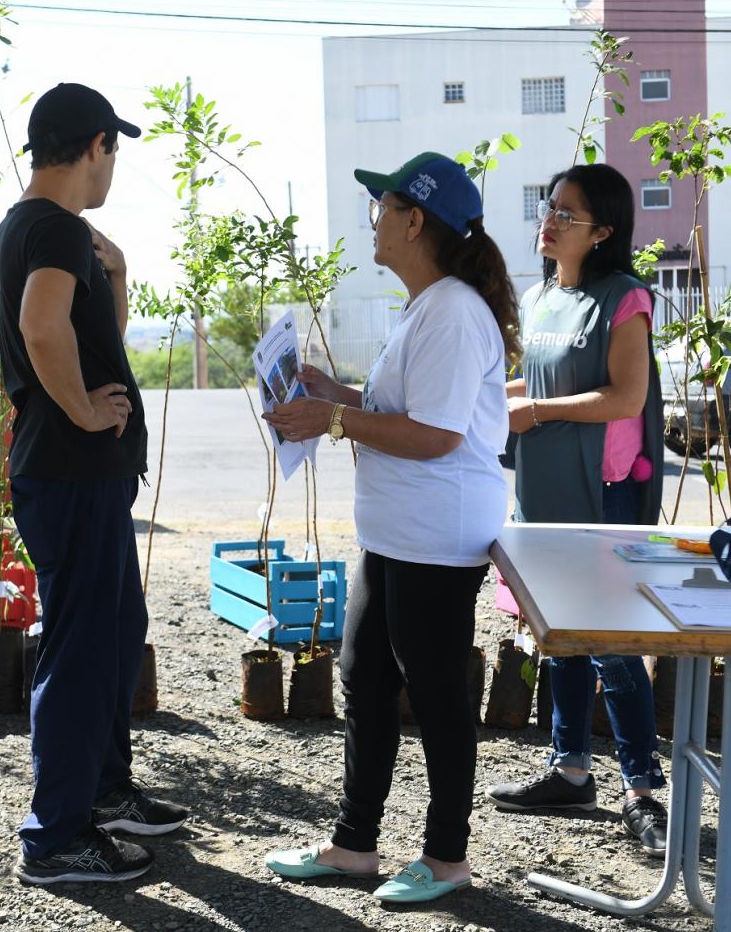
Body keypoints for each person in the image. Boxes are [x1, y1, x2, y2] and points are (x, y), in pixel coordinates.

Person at [261, 152, 516, 903]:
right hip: (398, 534)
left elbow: (436, 434)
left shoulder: (454, 313)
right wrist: (330, 391)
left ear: (415, 220)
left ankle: (446, 858)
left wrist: (334, 417)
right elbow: (402, 406)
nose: (373, 219)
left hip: (436, 538)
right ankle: (353, 846)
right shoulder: (427, 305)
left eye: (384, 206)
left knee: (434, 691)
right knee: (365, 678)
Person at [0, 82, 188, 885]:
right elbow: (41, 329)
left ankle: (102, 792)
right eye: (115, 149)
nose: (115, 166)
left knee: (111, 630)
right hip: (70, 470)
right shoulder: (54, 227)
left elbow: (80, 328)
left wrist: (117, 275)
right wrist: (79, 407)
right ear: (97, 145)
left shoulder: (40, 228)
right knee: (79, 649)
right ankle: (57, 836)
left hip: (80, 471)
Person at [483, 162, 670, 855]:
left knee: (613, 646)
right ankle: (569, 769)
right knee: (555, 633)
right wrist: (492, 397)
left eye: (568, 213)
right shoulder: (537, 301)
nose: (550, 220)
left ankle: (643, 790)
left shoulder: (625, 300)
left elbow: (624, 397)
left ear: (604, 232)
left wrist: (533, 411)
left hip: (604, 496)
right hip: (544, 489)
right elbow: (531, 379)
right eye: (549, 205)